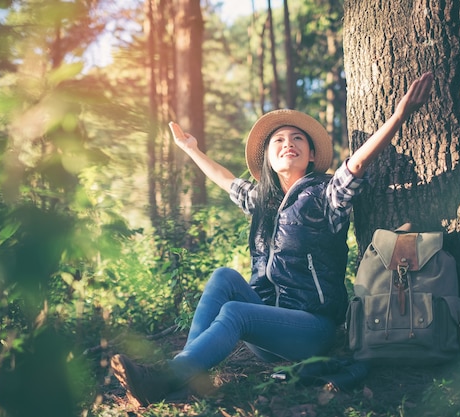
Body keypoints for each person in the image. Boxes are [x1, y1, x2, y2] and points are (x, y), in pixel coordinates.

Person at [111, 72, 434, 406]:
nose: (288, 144)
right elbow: (226, 180)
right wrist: (191, 149)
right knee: (224, 277)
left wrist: (399, 116)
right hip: (267, 325)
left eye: (297, 139)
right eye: (279, 140)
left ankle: (169, 377)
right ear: (267, 157)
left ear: (311, 155)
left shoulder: (325, 195)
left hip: (311, 329)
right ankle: (185, 376)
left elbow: (357, 165)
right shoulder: (262, 201)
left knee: (236, 312)